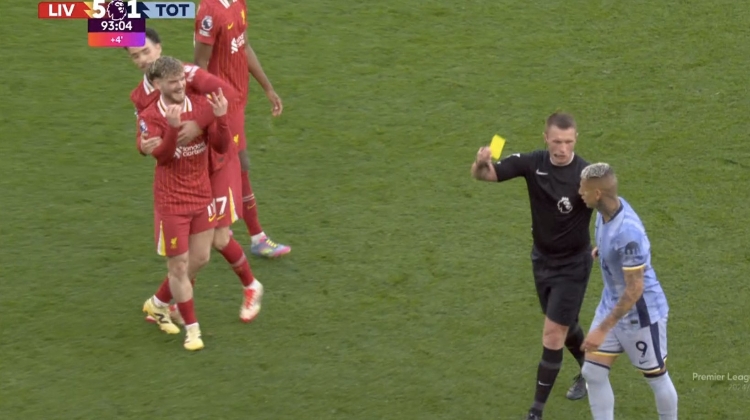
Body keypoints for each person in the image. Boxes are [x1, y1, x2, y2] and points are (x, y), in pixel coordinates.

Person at [127, 28, 264, 324]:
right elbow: (145, 134)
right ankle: (172, 302)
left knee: (217, 239)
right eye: (135, 56)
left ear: (159, 48)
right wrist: (142, 146)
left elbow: (227, 93)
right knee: (195, 248)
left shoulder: (186, 74)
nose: (142, 59)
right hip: (186, 174)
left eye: (146, 51)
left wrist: (200, 124)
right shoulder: (139, 96)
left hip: (216, 162)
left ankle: (250, 286)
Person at [471, 113, 593, 420]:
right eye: (557, 141)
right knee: (565, 326)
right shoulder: (532, 163)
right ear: (545, 138)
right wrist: (481, 162)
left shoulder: (586, 175)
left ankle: (535, 412)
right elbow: (485, 175)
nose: (562, 148)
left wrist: (606, 246)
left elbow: (611, 209)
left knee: (552, 334)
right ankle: (592, 369)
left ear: (576, 139)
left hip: (573, 266)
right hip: (542, 261)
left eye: (568, 141)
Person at [139, 56, 231, 350]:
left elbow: (221, 146)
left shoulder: (201, 105)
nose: (180, 86)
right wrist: (172, 128)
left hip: (201, 195)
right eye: (172, 82)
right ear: (157, 85)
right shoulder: (150, 116)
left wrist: (221, 118)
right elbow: (163, 157)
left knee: (200, 259)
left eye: (181, 79)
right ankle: (193, 330)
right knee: (178, 267)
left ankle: (157, 303)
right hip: (172, 201)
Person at [578, 162, 678, 420]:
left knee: (656, 376)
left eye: (583, 189)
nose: (579, 193)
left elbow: (635, 290)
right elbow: (613, 245)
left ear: (597, 194)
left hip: (640, 315)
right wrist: (602, 253)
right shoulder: (605, 212)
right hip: (611, 303)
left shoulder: (628, 233)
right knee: (593, 372)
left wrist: (602, 329)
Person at [194, 0, 291, 258]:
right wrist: (211, 106)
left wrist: (268, 87)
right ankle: (256, 236)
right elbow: (199, 64)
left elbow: (244, 45)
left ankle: (214, 221)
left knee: (222, 163)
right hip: (223, 103)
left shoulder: (238, 3)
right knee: (239, 164)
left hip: (237, 99)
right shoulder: (209, 12)